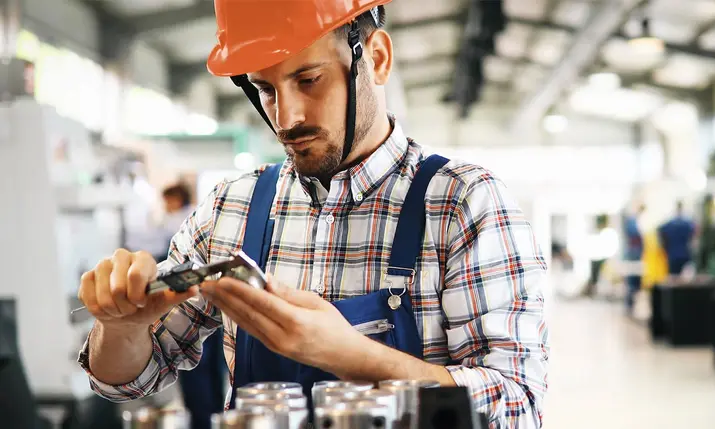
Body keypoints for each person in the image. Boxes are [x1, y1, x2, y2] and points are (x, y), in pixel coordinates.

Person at [75, 2, 549, 428]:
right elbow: (129, 379)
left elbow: (516, 406)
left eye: (308, 79)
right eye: (264, 88)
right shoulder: (231, 207)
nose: (286, 117)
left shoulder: (462, 203)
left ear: (377, 58)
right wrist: (121, 325)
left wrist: (352, 356)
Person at [160, 183, 226, 429]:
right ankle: (216, 420)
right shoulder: (200, 218)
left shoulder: (176, 223)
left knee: (195, 372)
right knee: (212, 375)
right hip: (209, 303)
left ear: (177, 198)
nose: (165, 206)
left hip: (187, 302)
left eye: (168, 199)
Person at [658, 201, 697, 276]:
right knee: (686, 280)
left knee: (673, 278)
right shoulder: (687, 223)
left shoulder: (669, 224)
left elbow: (660, 231)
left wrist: (664, 247)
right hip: (685, 255)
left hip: (672, 255)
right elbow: (694, 234)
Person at [623, 205, 645, 315]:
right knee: (632, 282)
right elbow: (635, 235)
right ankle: (629, 306)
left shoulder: (636, 221)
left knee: (636, 282)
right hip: (634, 255)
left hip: (637, 254)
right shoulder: (632, 222)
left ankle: (631, 306)